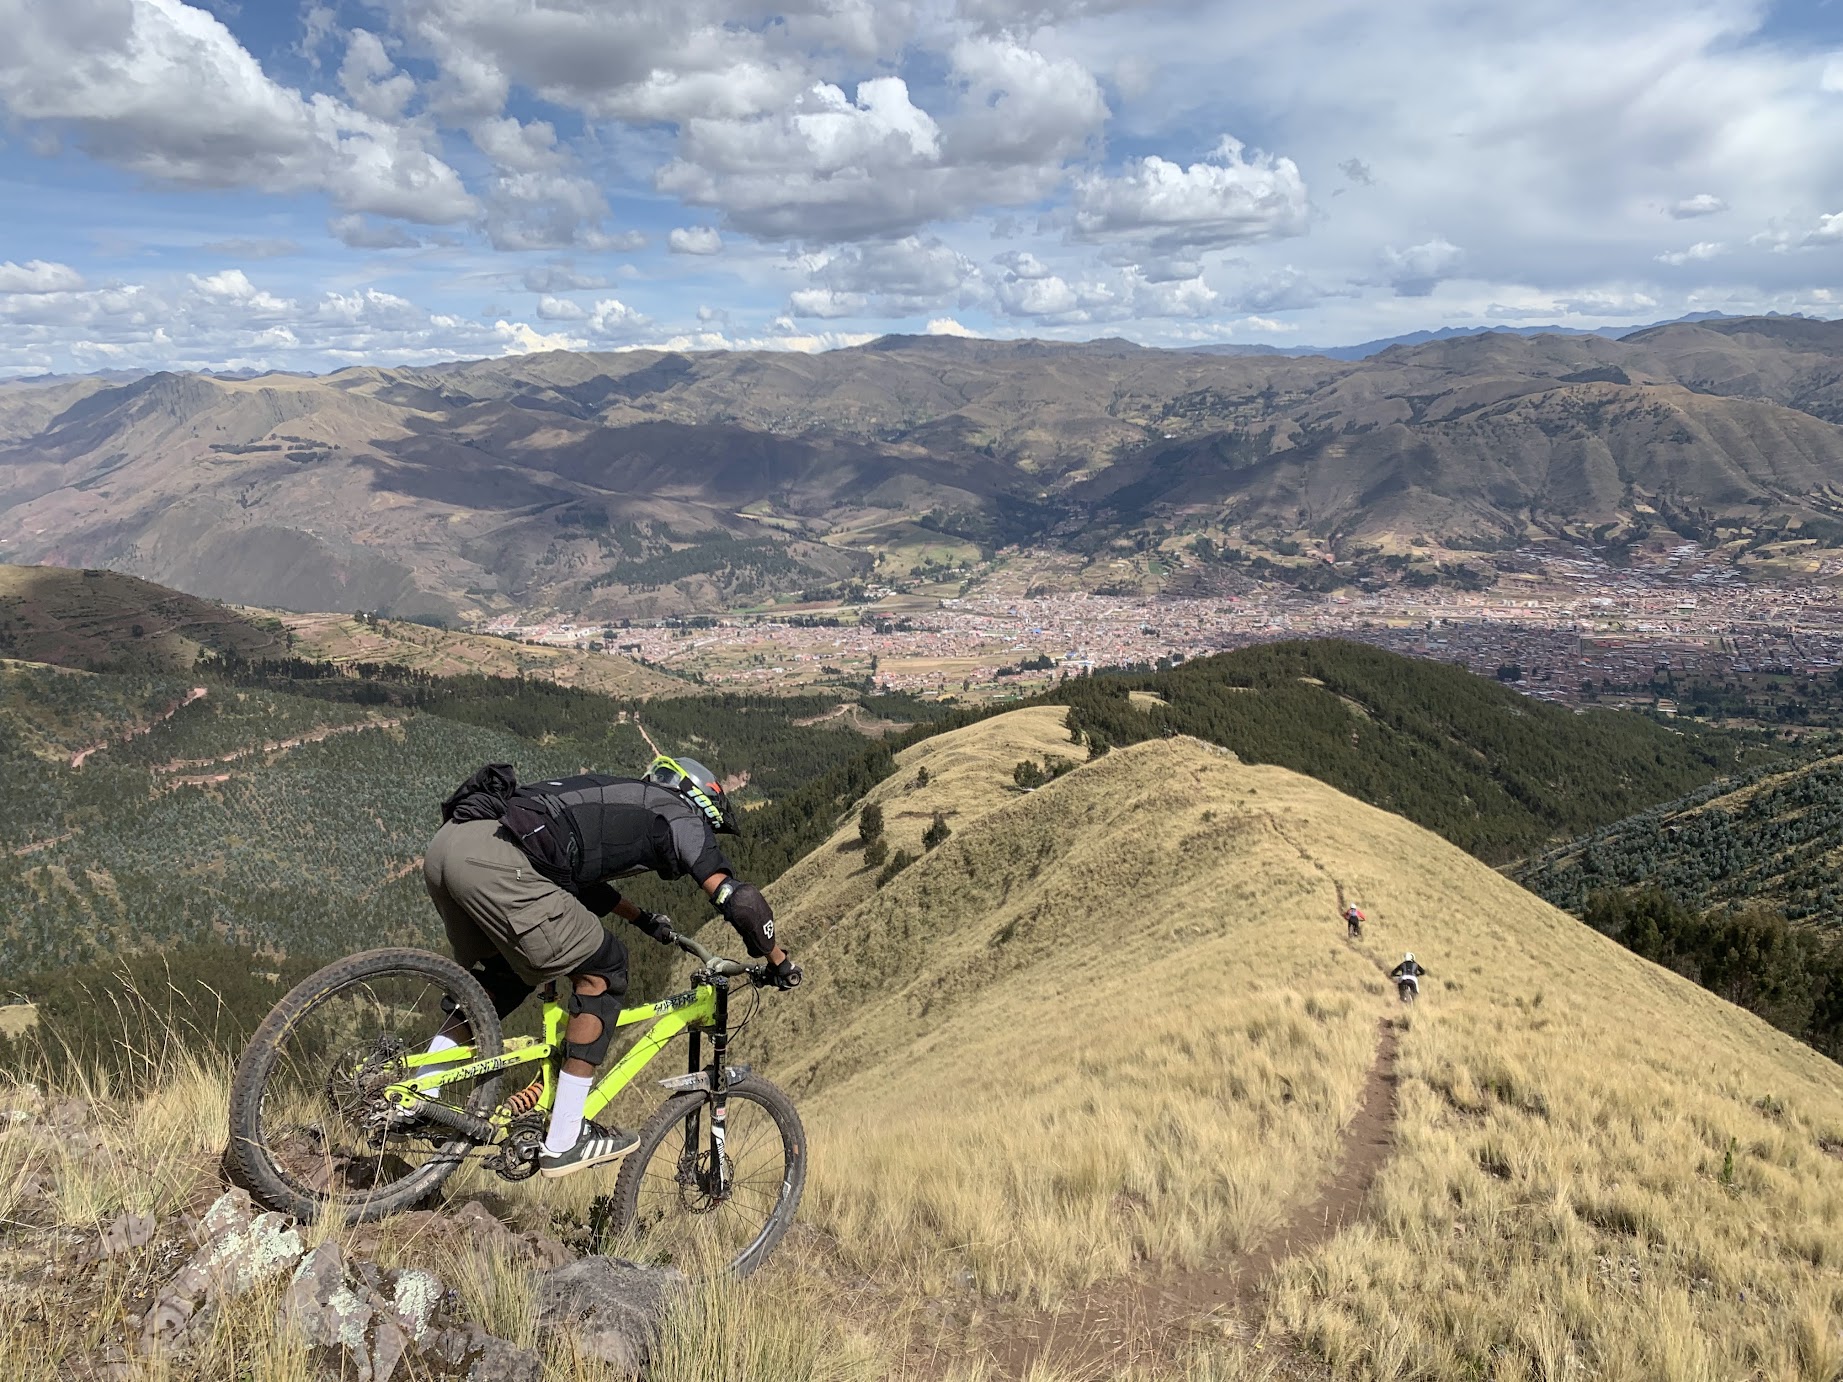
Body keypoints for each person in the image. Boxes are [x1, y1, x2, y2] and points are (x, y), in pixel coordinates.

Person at [421, 755, 801, 1178]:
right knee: (606, 968)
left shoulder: (617, 795)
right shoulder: (680, 814)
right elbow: (736, 898)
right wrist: (778, 960)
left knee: (502, 978)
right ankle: (566, 1139)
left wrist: (644, 919)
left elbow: (581, 881)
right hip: (500, 864)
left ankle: (416, 1093)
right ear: (701, 802)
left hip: (449, 848)